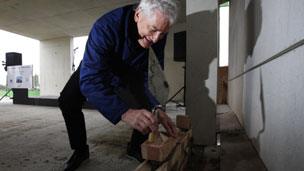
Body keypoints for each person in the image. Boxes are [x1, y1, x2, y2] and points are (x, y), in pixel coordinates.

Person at [58, 0, 179, 170]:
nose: (157, 38)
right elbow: (91, 80)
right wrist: (123, 112)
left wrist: (156, 106)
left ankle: (136, 148)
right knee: (67, 100)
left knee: (146, 106)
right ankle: (80, 150)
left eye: (163, 33)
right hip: (96, 66)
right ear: (138, 15)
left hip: (130, 70)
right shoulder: (105, 27)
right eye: (153, 30)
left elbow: (154, 72)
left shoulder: (158, 34)